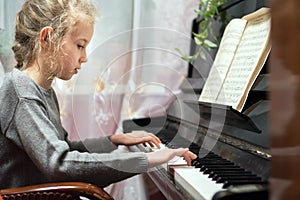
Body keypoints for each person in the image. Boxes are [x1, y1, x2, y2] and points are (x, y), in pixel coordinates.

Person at [0, 0, 197, 189]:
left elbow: (64, 147)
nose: (85, 58)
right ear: (47, 38)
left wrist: (114, 140)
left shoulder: (42, 90)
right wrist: (148, 159)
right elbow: (59, 164)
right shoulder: (21, 91)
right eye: (80, 45)